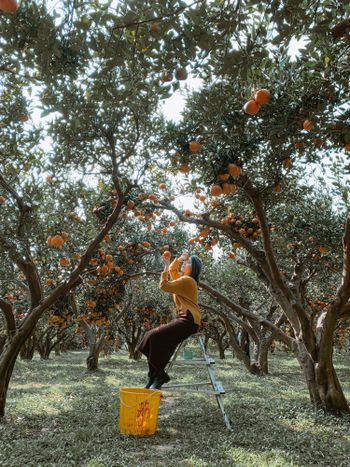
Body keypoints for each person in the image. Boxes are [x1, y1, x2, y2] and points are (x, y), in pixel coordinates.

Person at [137, 251, 202, 389]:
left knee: (151, 336)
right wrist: (176, 260)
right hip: (185, 319)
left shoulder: (187, 280)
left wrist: (166, 268)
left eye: (188, 262)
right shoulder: (183, 279)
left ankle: (160, 375)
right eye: (185, 261)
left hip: (188, 319)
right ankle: (153, 376)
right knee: (159, 344)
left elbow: (164, 286)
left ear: (194, 268)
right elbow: (173, 270)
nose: (185, 263)